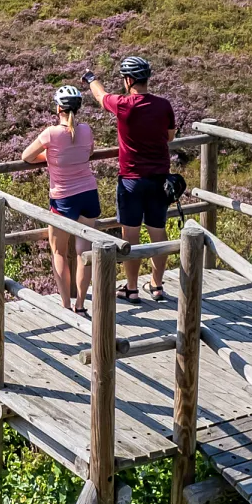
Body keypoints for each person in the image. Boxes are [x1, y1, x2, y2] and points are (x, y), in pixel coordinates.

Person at [84, 56, 175, 302]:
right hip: (159, 180)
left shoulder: (124, 104)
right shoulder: (164, 104)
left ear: (128, 80)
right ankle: (156, 286)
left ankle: (132, 288)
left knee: (130, 235)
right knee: (158, 232)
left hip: (131, 181)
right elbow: (170, 137)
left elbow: (100, 96)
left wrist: (91, 79)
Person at [21, 85, 100, 315]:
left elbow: (26, 156)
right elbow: (89, 152)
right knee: (83, 252)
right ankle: (81, 305)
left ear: (58, 108)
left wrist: (50, 155)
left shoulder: (50, 133)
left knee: (58, 252)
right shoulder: (86, 130)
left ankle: (65, 304)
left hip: (63, 198)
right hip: (89, 194)